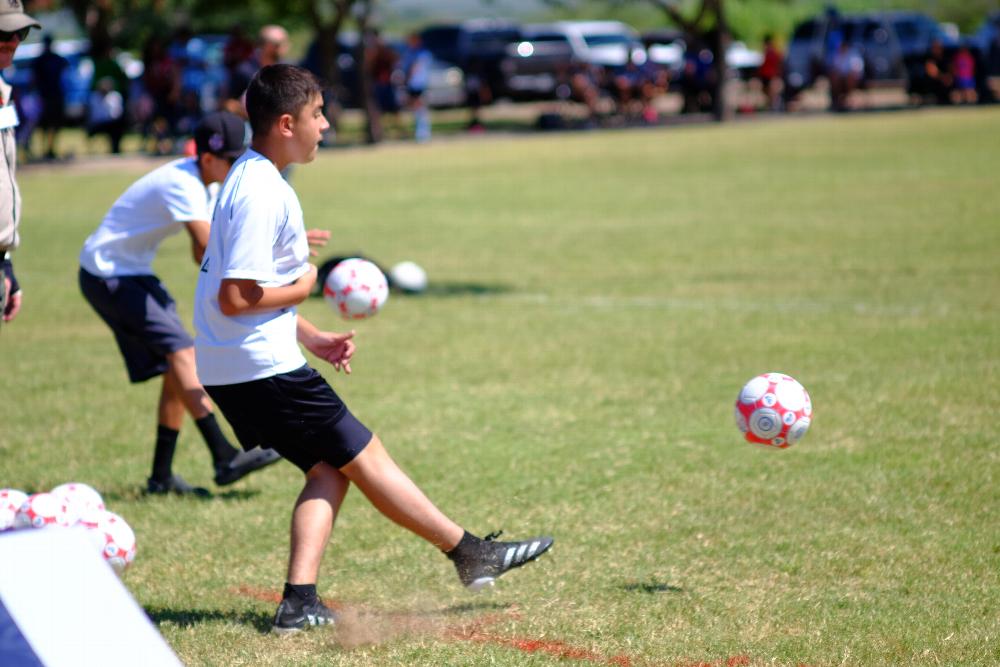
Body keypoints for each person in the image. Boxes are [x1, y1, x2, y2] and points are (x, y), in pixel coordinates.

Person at [193, 64, 553, 633]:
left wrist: (310, 334)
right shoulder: (263, 189)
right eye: (317, 115)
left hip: (239, 365)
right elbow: (235, 298)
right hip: (259, 369)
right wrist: (306, 284)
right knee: (365, 456)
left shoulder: (254, 177)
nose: (326, 125)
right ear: (286, 123)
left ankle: (299, 601)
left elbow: (242, 292)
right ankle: (468, 552)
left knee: (329, 470)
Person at [78, 112, 286, 496]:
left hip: (130, 273)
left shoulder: (205, 186)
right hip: (108, 274)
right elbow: (208, 247)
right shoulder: (183, 182)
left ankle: (160, 478)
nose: (240, 165)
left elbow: (200, 254)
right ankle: (223, 454)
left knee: (178, 367)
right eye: (233, 159)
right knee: (183, 354)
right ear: (209, 158)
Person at [0, 1, 41, 326]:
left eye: (20, 31)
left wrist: (6, 261)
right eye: (3, 31)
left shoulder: (4, 91)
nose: (12, 40)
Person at [32, 34, 69, 160]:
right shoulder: (39, 61)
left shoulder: (57, 59)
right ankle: (44, 149)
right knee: (44, 124)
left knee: (55, 123)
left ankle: (51, 148)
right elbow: (34, 80)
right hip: (45, 96)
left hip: (56, 95)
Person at [400, 33, 432, 143]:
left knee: (420, 108)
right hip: (412, 85)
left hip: (419, 84)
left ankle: (423, 133)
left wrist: (407, 78)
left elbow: (415, 68)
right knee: (415, 109)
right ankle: (420, 133)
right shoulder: (409, 52)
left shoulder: (422, 53)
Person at [757, 34, 783, 111]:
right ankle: (772, 106)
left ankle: (775, 106)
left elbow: (778, 64)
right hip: (766, 75)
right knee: (768, 93)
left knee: (772, 93)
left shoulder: (772, 52)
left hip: (771, 75)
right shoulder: (766, 52)